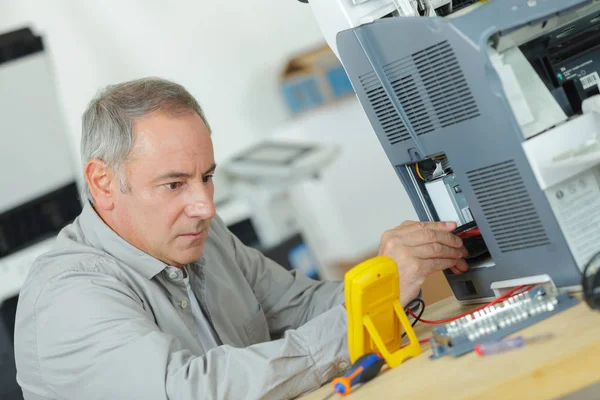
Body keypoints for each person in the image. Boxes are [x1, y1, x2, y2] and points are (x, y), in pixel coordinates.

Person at [14, 78, 468, 400]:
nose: (205, 207)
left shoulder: (204, 239)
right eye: (174, 184)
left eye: (206, 178)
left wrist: (389, 279)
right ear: (103, 182)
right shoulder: (68, 297)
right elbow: (192, 391)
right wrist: (358, 322)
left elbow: (306, 307)